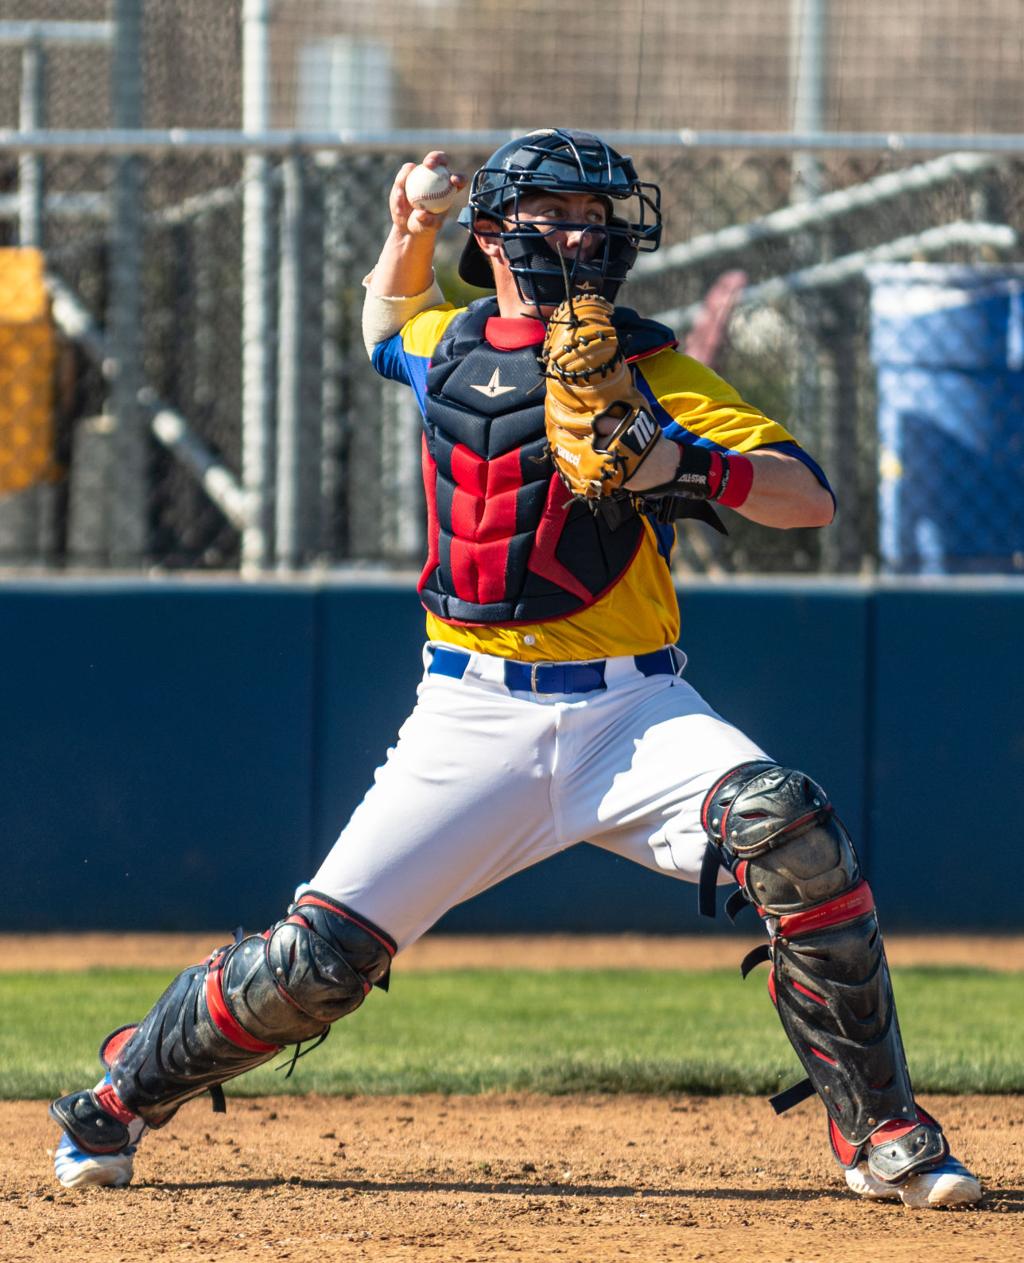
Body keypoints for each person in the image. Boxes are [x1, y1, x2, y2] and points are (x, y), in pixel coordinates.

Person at [49, 128, 980, 1208]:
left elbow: (803, 494)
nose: (583, 237)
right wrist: (410, 227)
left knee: (786, 829)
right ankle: (121, 1089)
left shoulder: (653, 370)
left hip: (633, 710)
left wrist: (683, 461)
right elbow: (381, 327)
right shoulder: (446, 345)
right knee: (311, 967)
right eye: (555, 217)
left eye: (598, 219)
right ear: (495, 234)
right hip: (469, 715)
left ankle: (882, 1130)